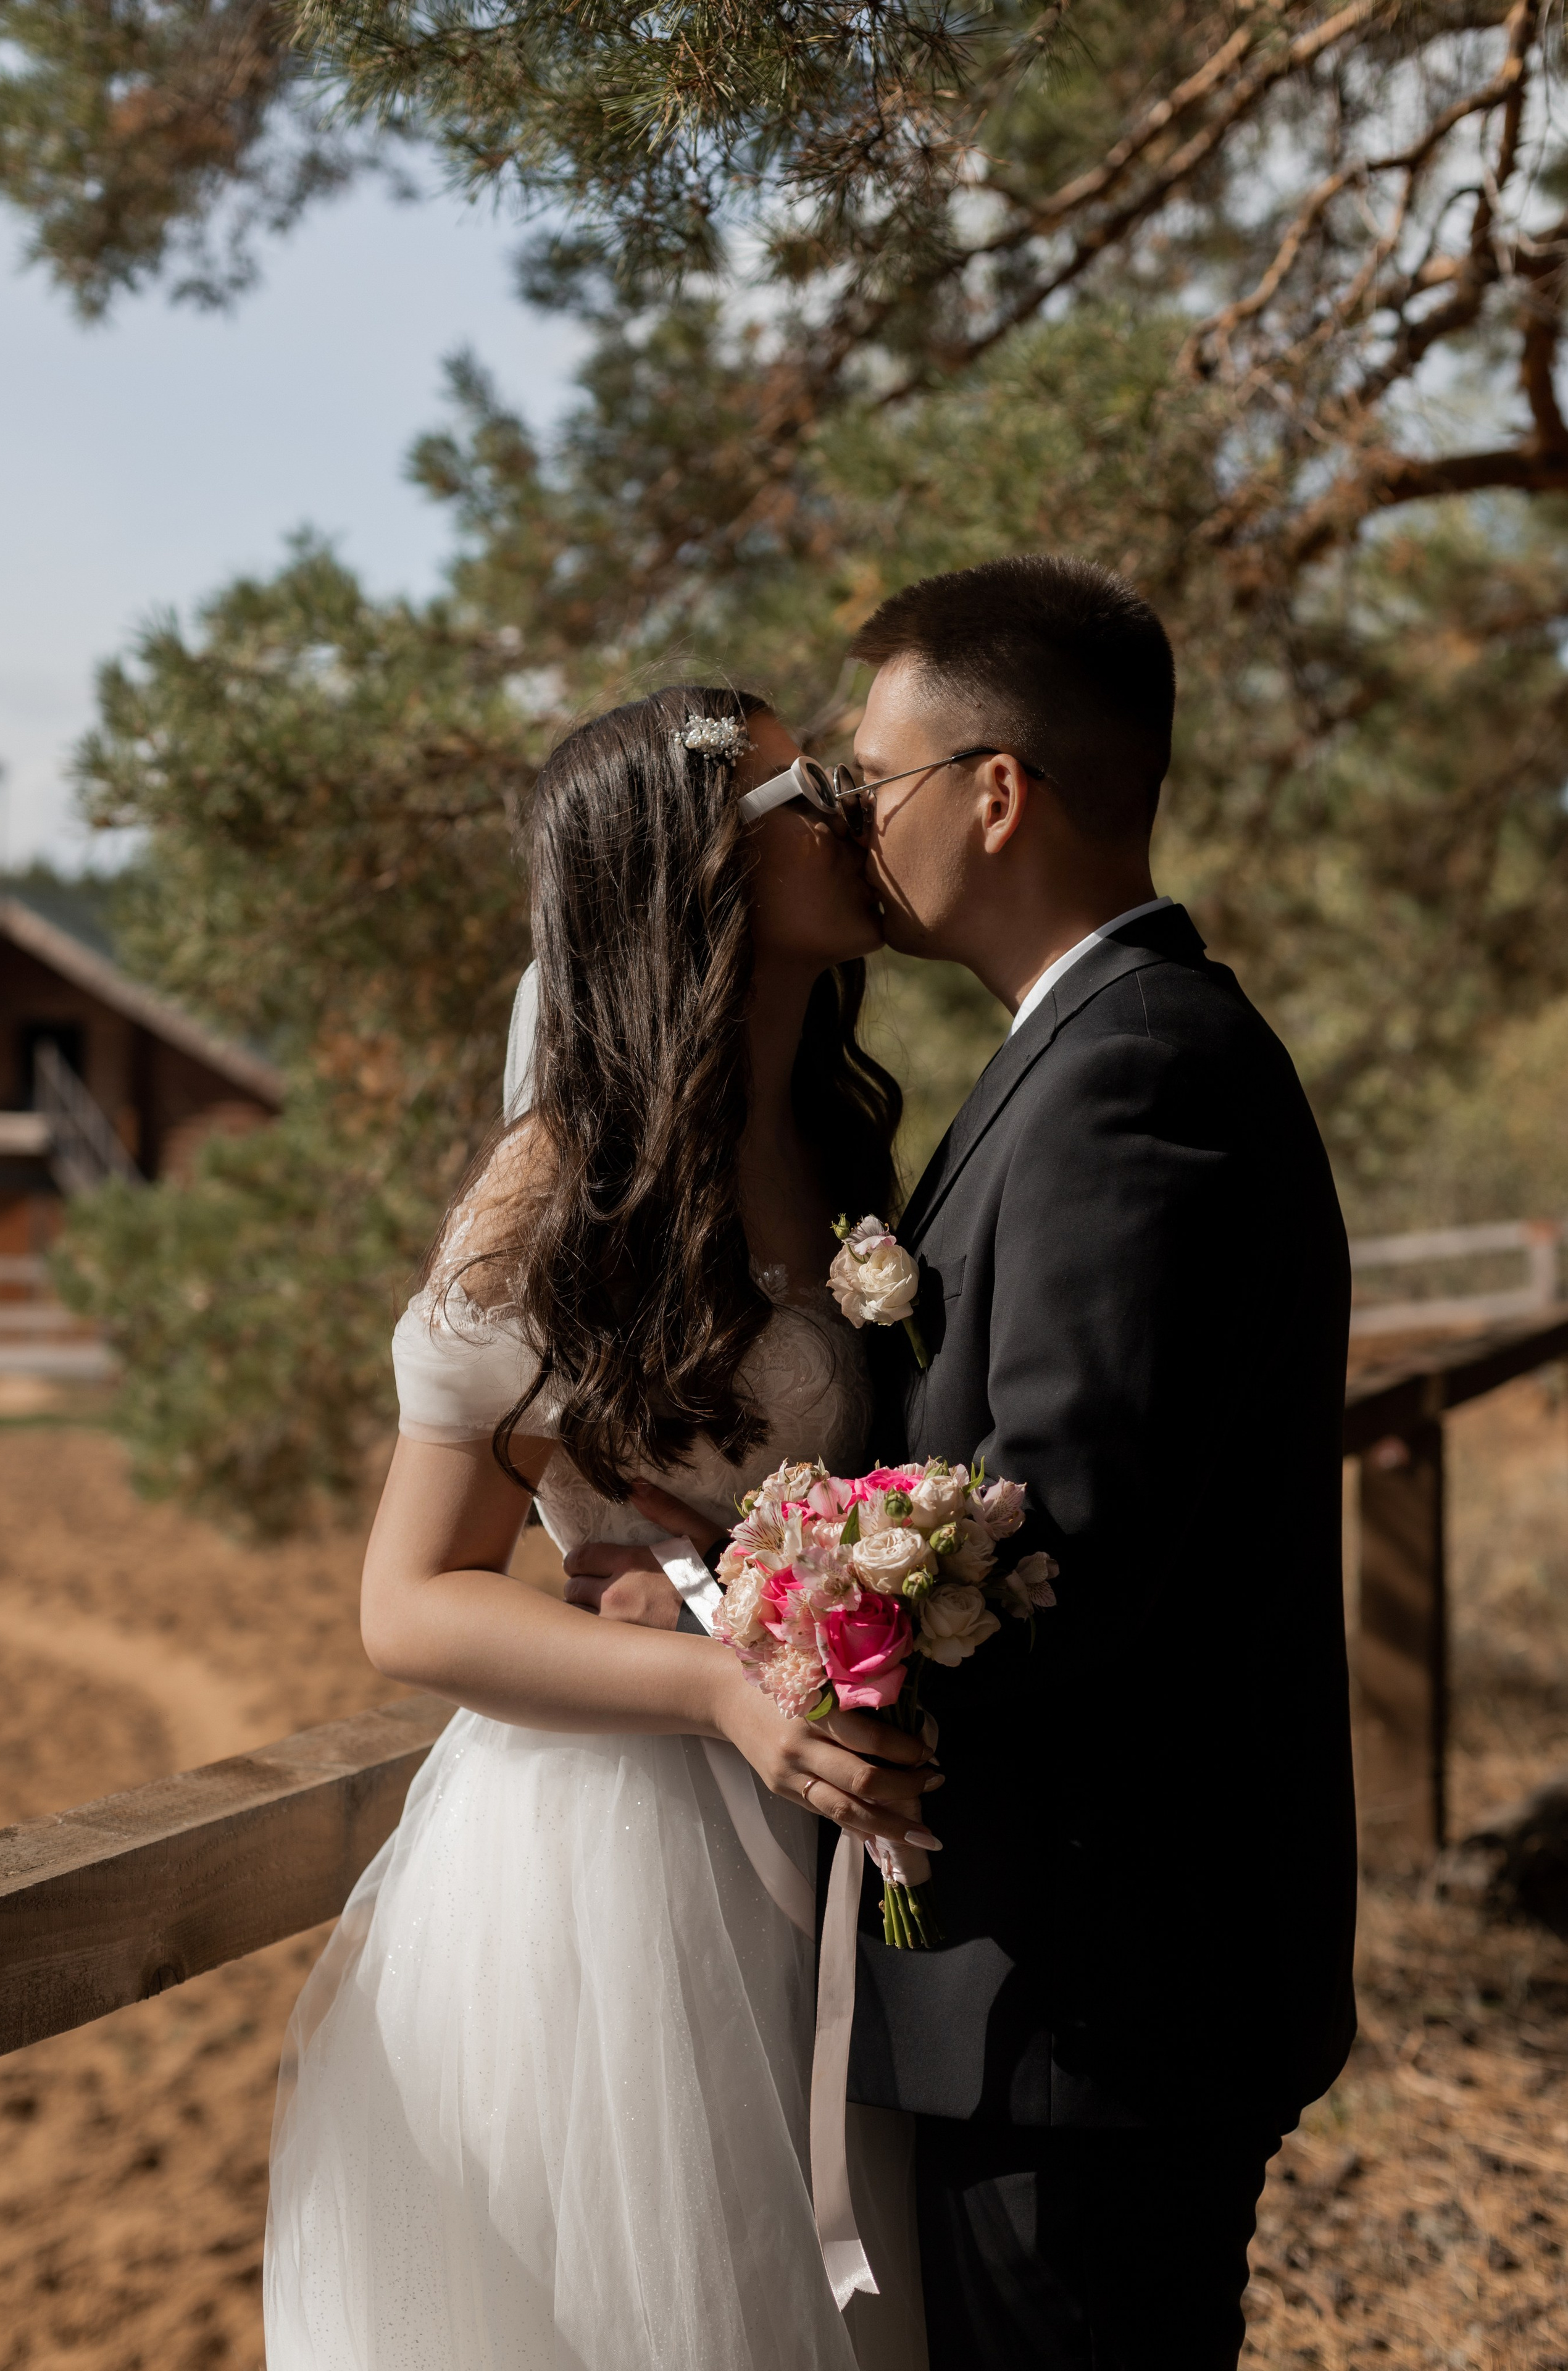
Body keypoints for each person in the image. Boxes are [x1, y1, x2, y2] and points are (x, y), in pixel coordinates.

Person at [583, 557, 1357, 2369]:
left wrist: (731, 1611)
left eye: (875, 780)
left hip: (1092, 1995)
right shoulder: (1092, 1054)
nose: (853, 819)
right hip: (1079, 1987)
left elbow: (1055, 1552)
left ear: (993, 793)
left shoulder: (1129, 1076)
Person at [262, 685, 937, 2371]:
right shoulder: (559, 1193)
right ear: (693, 856)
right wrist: (717, 1689)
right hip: (620, 1870)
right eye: (809, 783)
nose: (854, 802)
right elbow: (410, 1605)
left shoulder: (838, 1134)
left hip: (830, 1824)